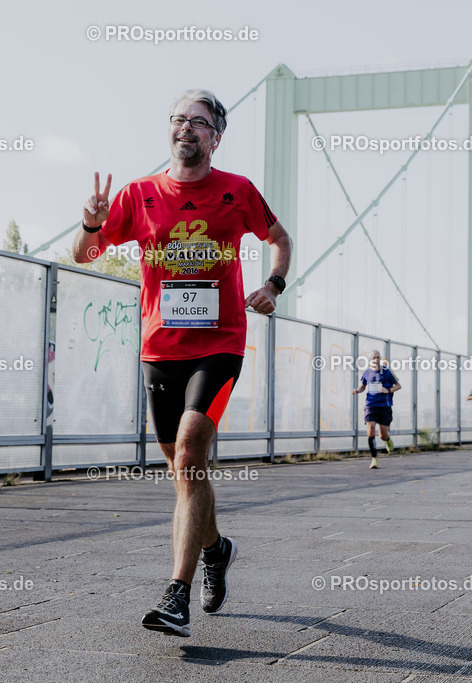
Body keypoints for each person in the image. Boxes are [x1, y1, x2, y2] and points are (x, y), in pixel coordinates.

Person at [74, 89, 293, 638]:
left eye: (199, 122)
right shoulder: (140, 194)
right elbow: (84, 253)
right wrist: (93, 225)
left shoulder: (238, 192)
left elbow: (279, 240)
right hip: (159, 348)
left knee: (192, 449)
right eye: (179, 120)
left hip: (219, 342)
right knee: (183, 469)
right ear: (169, 131)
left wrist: (273, 283)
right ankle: (216, 549)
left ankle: (176, 594)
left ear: (216, 136)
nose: (186, 128)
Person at [353, 350, 401, 468]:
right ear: (370, 360)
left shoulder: (387, 372)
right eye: (374, 358)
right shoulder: (367, 373)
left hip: (384, 406)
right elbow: (363, 386)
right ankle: (374, 459)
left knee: (382, 435)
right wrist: (358, 390)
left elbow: (398, 386)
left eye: (378, 357)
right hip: (371, 404)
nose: (376, 359)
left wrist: (388, 390)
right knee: (371, 427)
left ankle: (387, 440)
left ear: (380, 359)